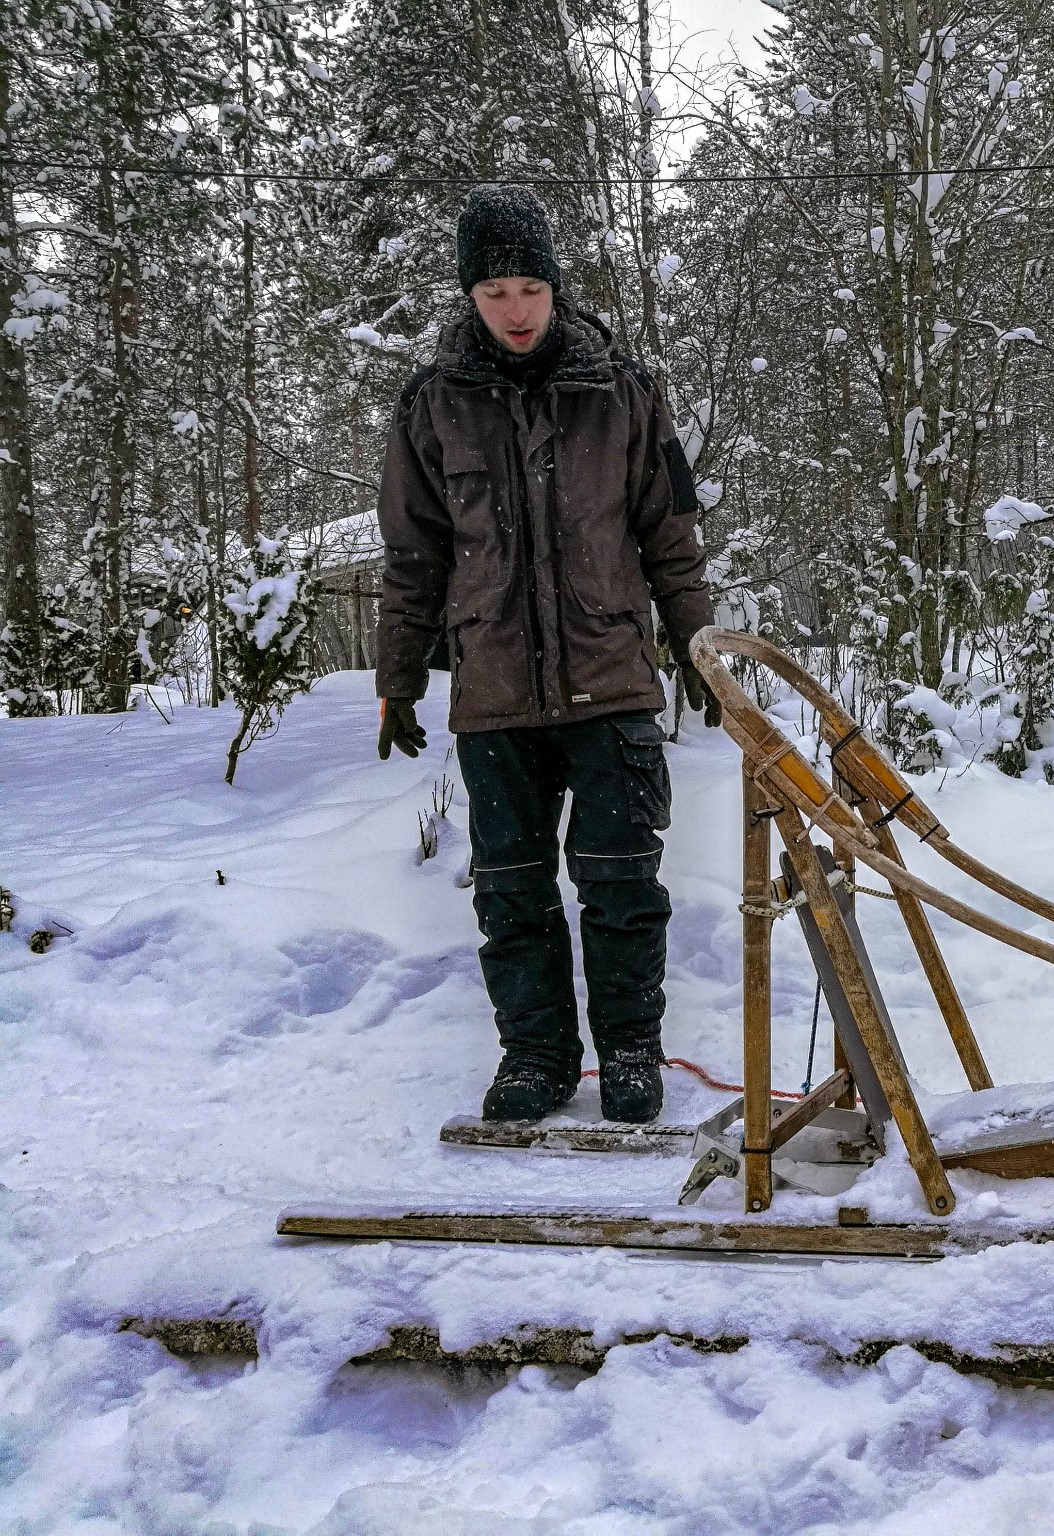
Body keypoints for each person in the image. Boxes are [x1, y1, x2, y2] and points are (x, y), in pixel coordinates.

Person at [372, 183, 721, 1125]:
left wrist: (698, 650)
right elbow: (414, 556)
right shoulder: (431, 407)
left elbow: (670, 539)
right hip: (494, 697)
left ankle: (631, 1053)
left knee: (620, 886)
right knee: (513, 895)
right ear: (469, 298)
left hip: (610, 684)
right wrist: (397, 681)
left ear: (556, 286)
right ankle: (535, 1058)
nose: (515, 310)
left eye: (529, 287)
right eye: (494, 292)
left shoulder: (625, 394)